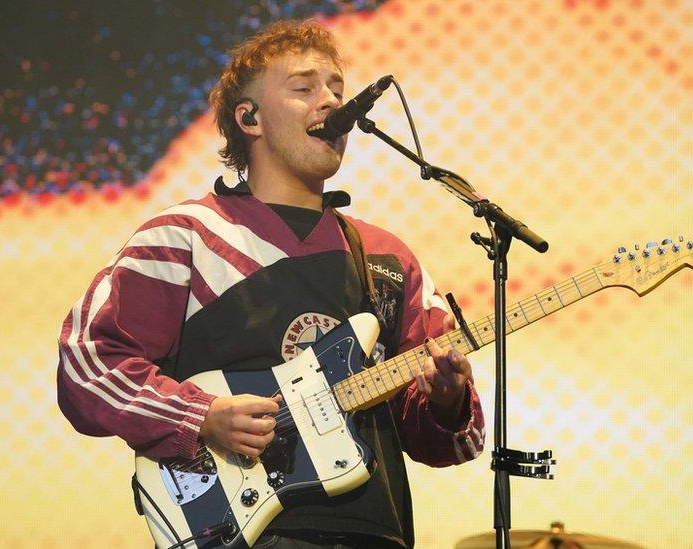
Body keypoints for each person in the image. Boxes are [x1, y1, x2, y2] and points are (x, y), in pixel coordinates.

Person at [56, 20, 485, 549]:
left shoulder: (386, 258)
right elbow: (88, 362)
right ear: (249, 118)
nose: (329, 101)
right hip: (238, 531)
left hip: (376, 532)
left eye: (336, 88)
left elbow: (460, 444)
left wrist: (447, 399)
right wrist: (200, 416)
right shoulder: (185, 236)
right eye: (304, 88)